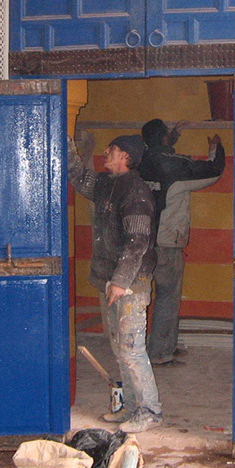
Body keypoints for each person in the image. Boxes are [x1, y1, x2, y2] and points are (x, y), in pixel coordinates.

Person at [67, 132, 162, 433]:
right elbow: (79, 178)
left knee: (132, 348)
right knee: (120, 348)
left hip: (130, 283)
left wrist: (120, 281)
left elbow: (138, 241)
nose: (106, 151)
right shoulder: (107, 184)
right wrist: (66, 144)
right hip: (112, 281)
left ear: (126, 157)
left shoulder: (136, 192)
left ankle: (150, 411)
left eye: (113, 148)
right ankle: (131, 407)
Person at [139, 119, 226, 366]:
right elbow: (212, 171)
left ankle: (155, 347)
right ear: (164, 138)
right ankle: (160, 352)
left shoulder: (141, 161)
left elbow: (160, 154)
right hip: (166, 241)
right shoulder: (174, 166)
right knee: (167, 296)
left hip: (142, 240)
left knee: (144, 297)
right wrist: (216, 148)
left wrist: (173, 136)